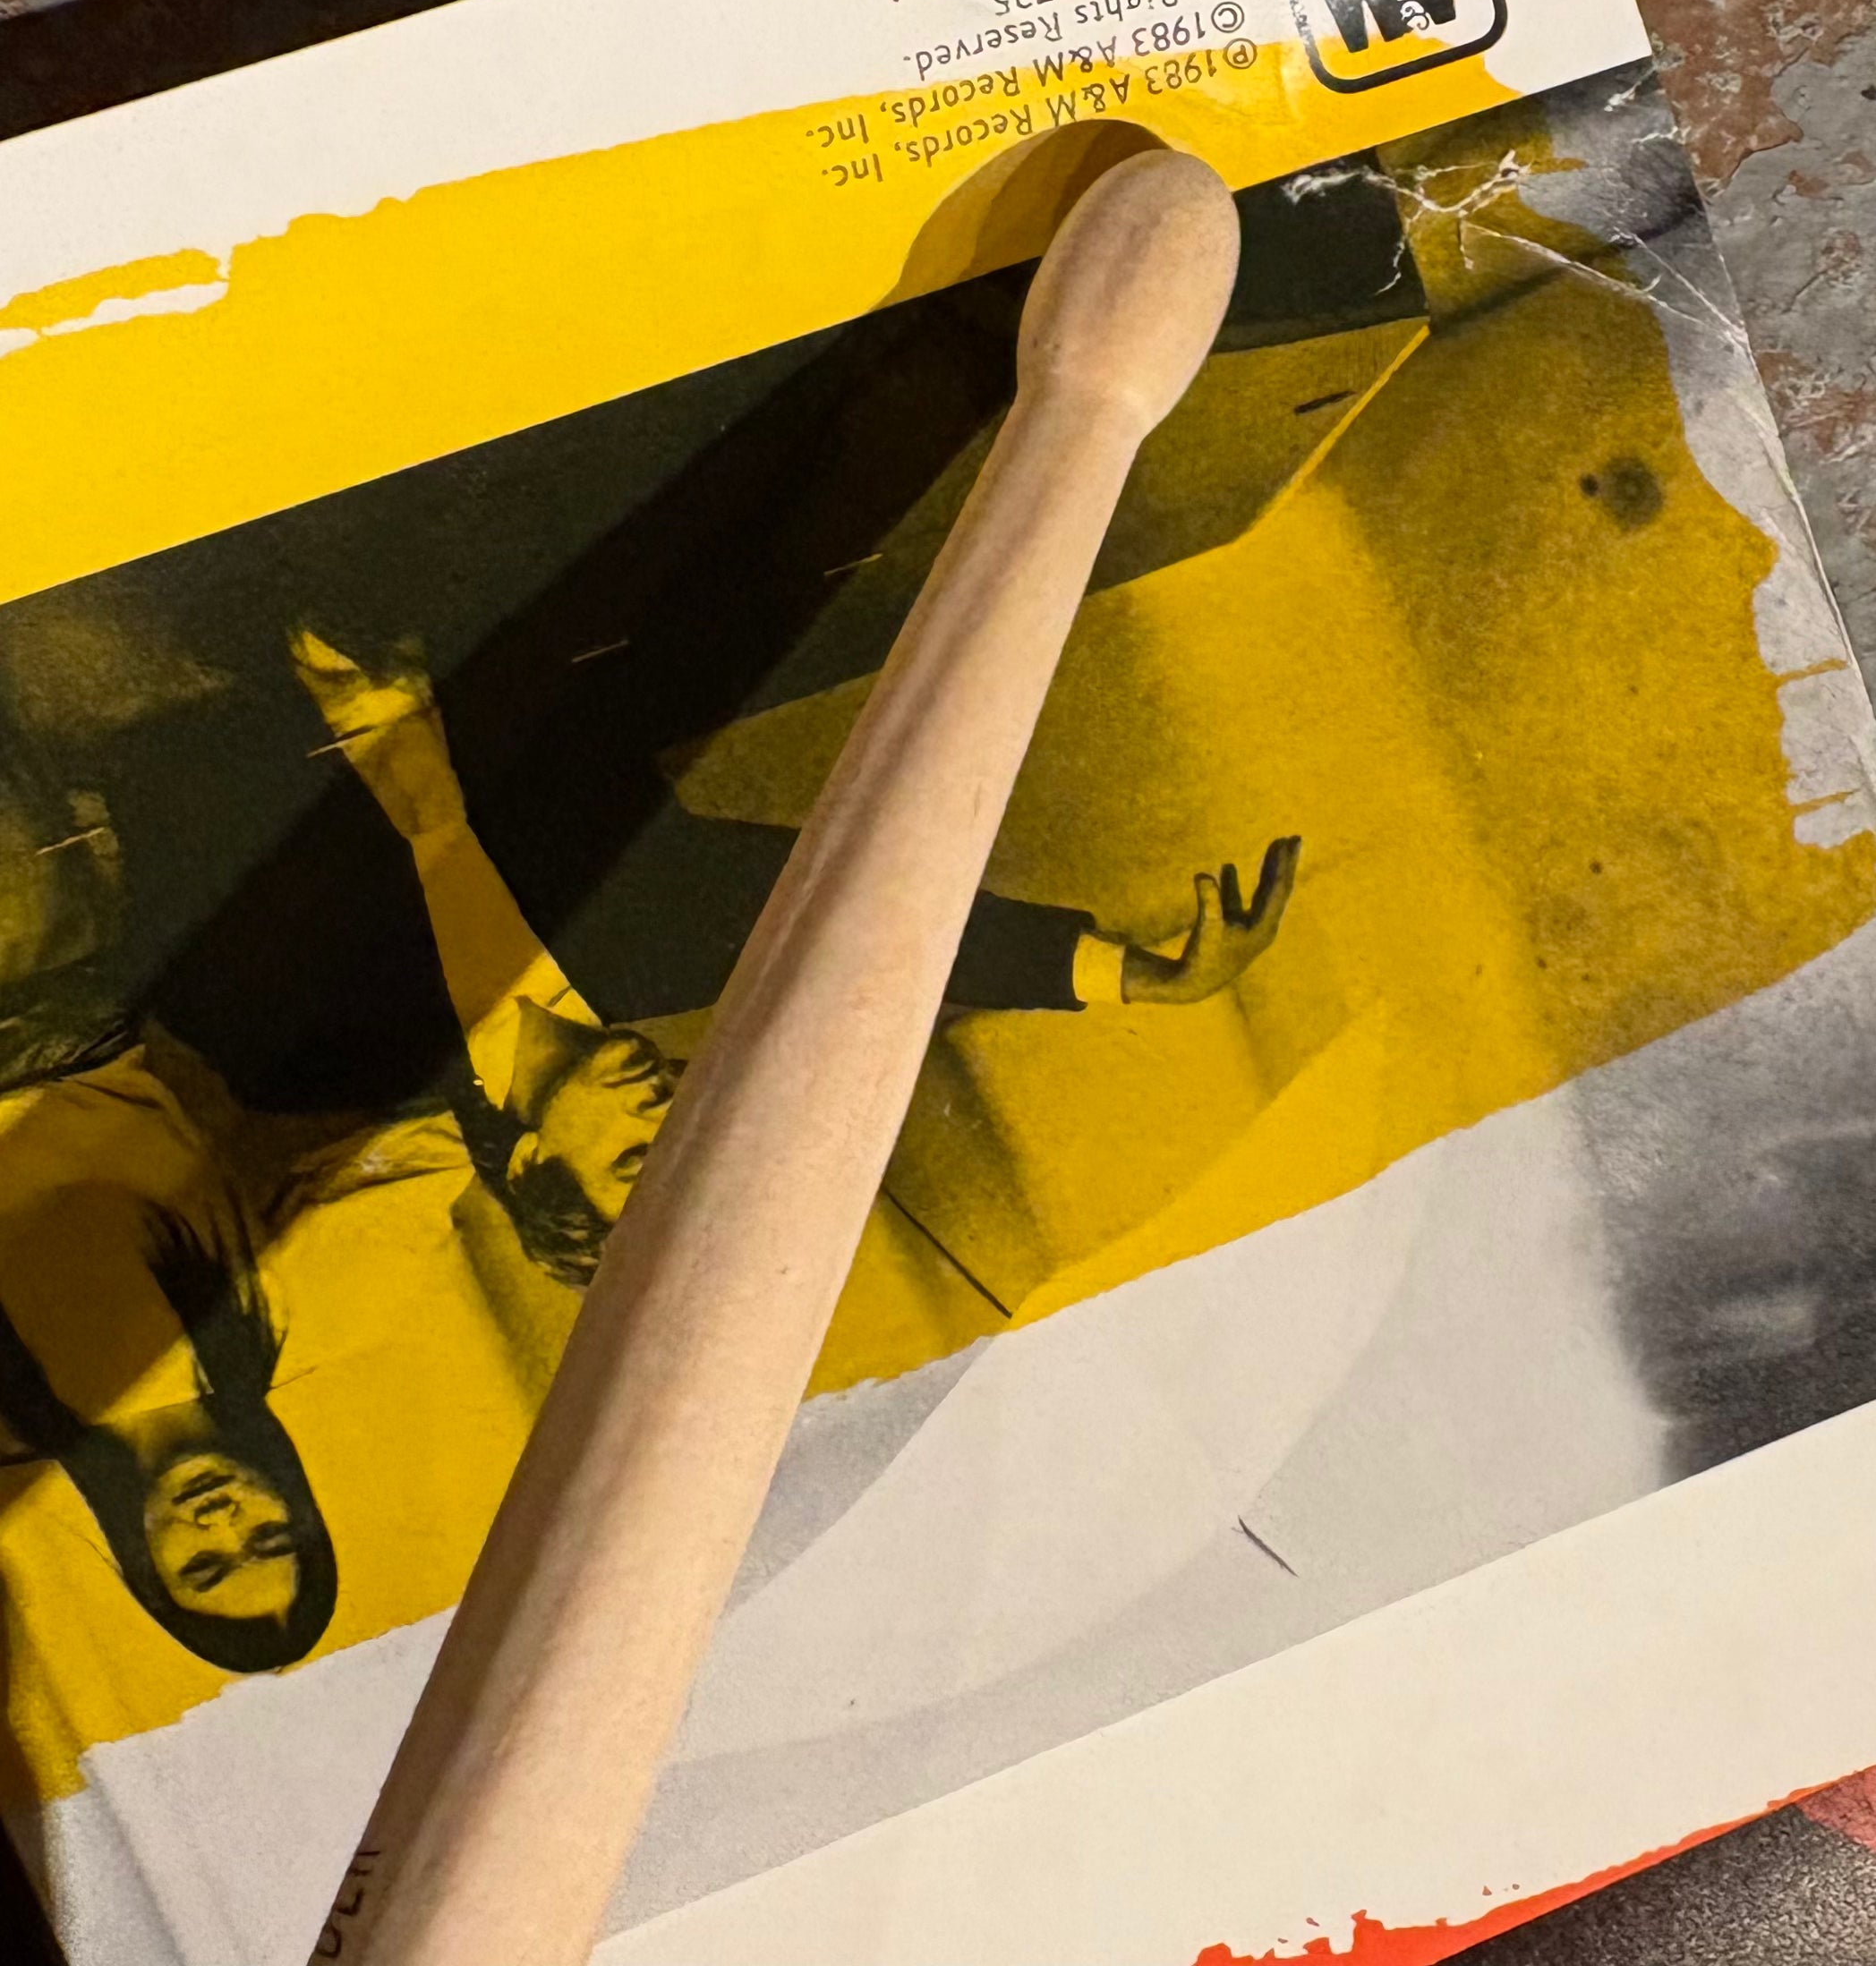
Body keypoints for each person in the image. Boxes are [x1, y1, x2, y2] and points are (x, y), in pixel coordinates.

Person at [289, 632, 1299, 1289]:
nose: (668, 1104)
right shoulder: (684, 938)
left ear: (527, 1163)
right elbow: (886, 929)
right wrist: (1142, 978)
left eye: (635, 1156)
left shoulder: (350, 1065)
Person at [0, 1059, 337, 1674]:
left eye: (203, 1564)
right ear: (298, 1509)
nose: (222, 1521)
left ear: (147, 1568)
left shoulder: (13, 1427)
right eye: (267, 1536)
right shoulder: (257, 1322)